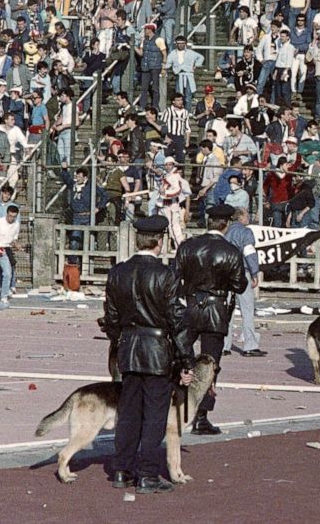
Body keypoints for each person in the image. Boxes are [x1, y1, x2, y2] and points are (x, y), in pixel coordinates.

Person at [102, 216, 194, 495]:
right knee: (154, 415)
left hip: (129, 348)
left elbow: (111, 318)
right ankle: (147, 473)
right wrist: (186, 360)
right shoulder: (167, 275)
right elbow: (178, 321)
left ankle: (122, 469)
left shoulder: (118, 272)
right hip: (157, 350)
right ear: (160, 240)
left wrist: (119, 342)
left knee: (128, 412)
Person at [175, 204, 248, 435]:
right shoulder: (230, 251)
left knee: (180, 355)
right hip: (216, 308)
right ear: (226, 224)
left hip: (190, 304)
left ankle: (175, 405)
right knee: (210, 364)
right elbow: (240, 284)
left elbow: (175, 277)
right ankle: (201, 415)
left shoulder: (188, 247)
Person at [225, 207, 265, 357]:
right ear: (240, 217)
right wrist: (255, 272)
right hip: (242, 273)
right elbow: (249, 253)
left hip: (225, 273)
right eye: (247, 215)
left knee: (226, 310)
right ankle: (250, 345)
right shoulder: (245, 232)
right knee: (247, 309)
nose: (248, 217)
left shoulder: (225, 232)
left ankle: (224, 345)